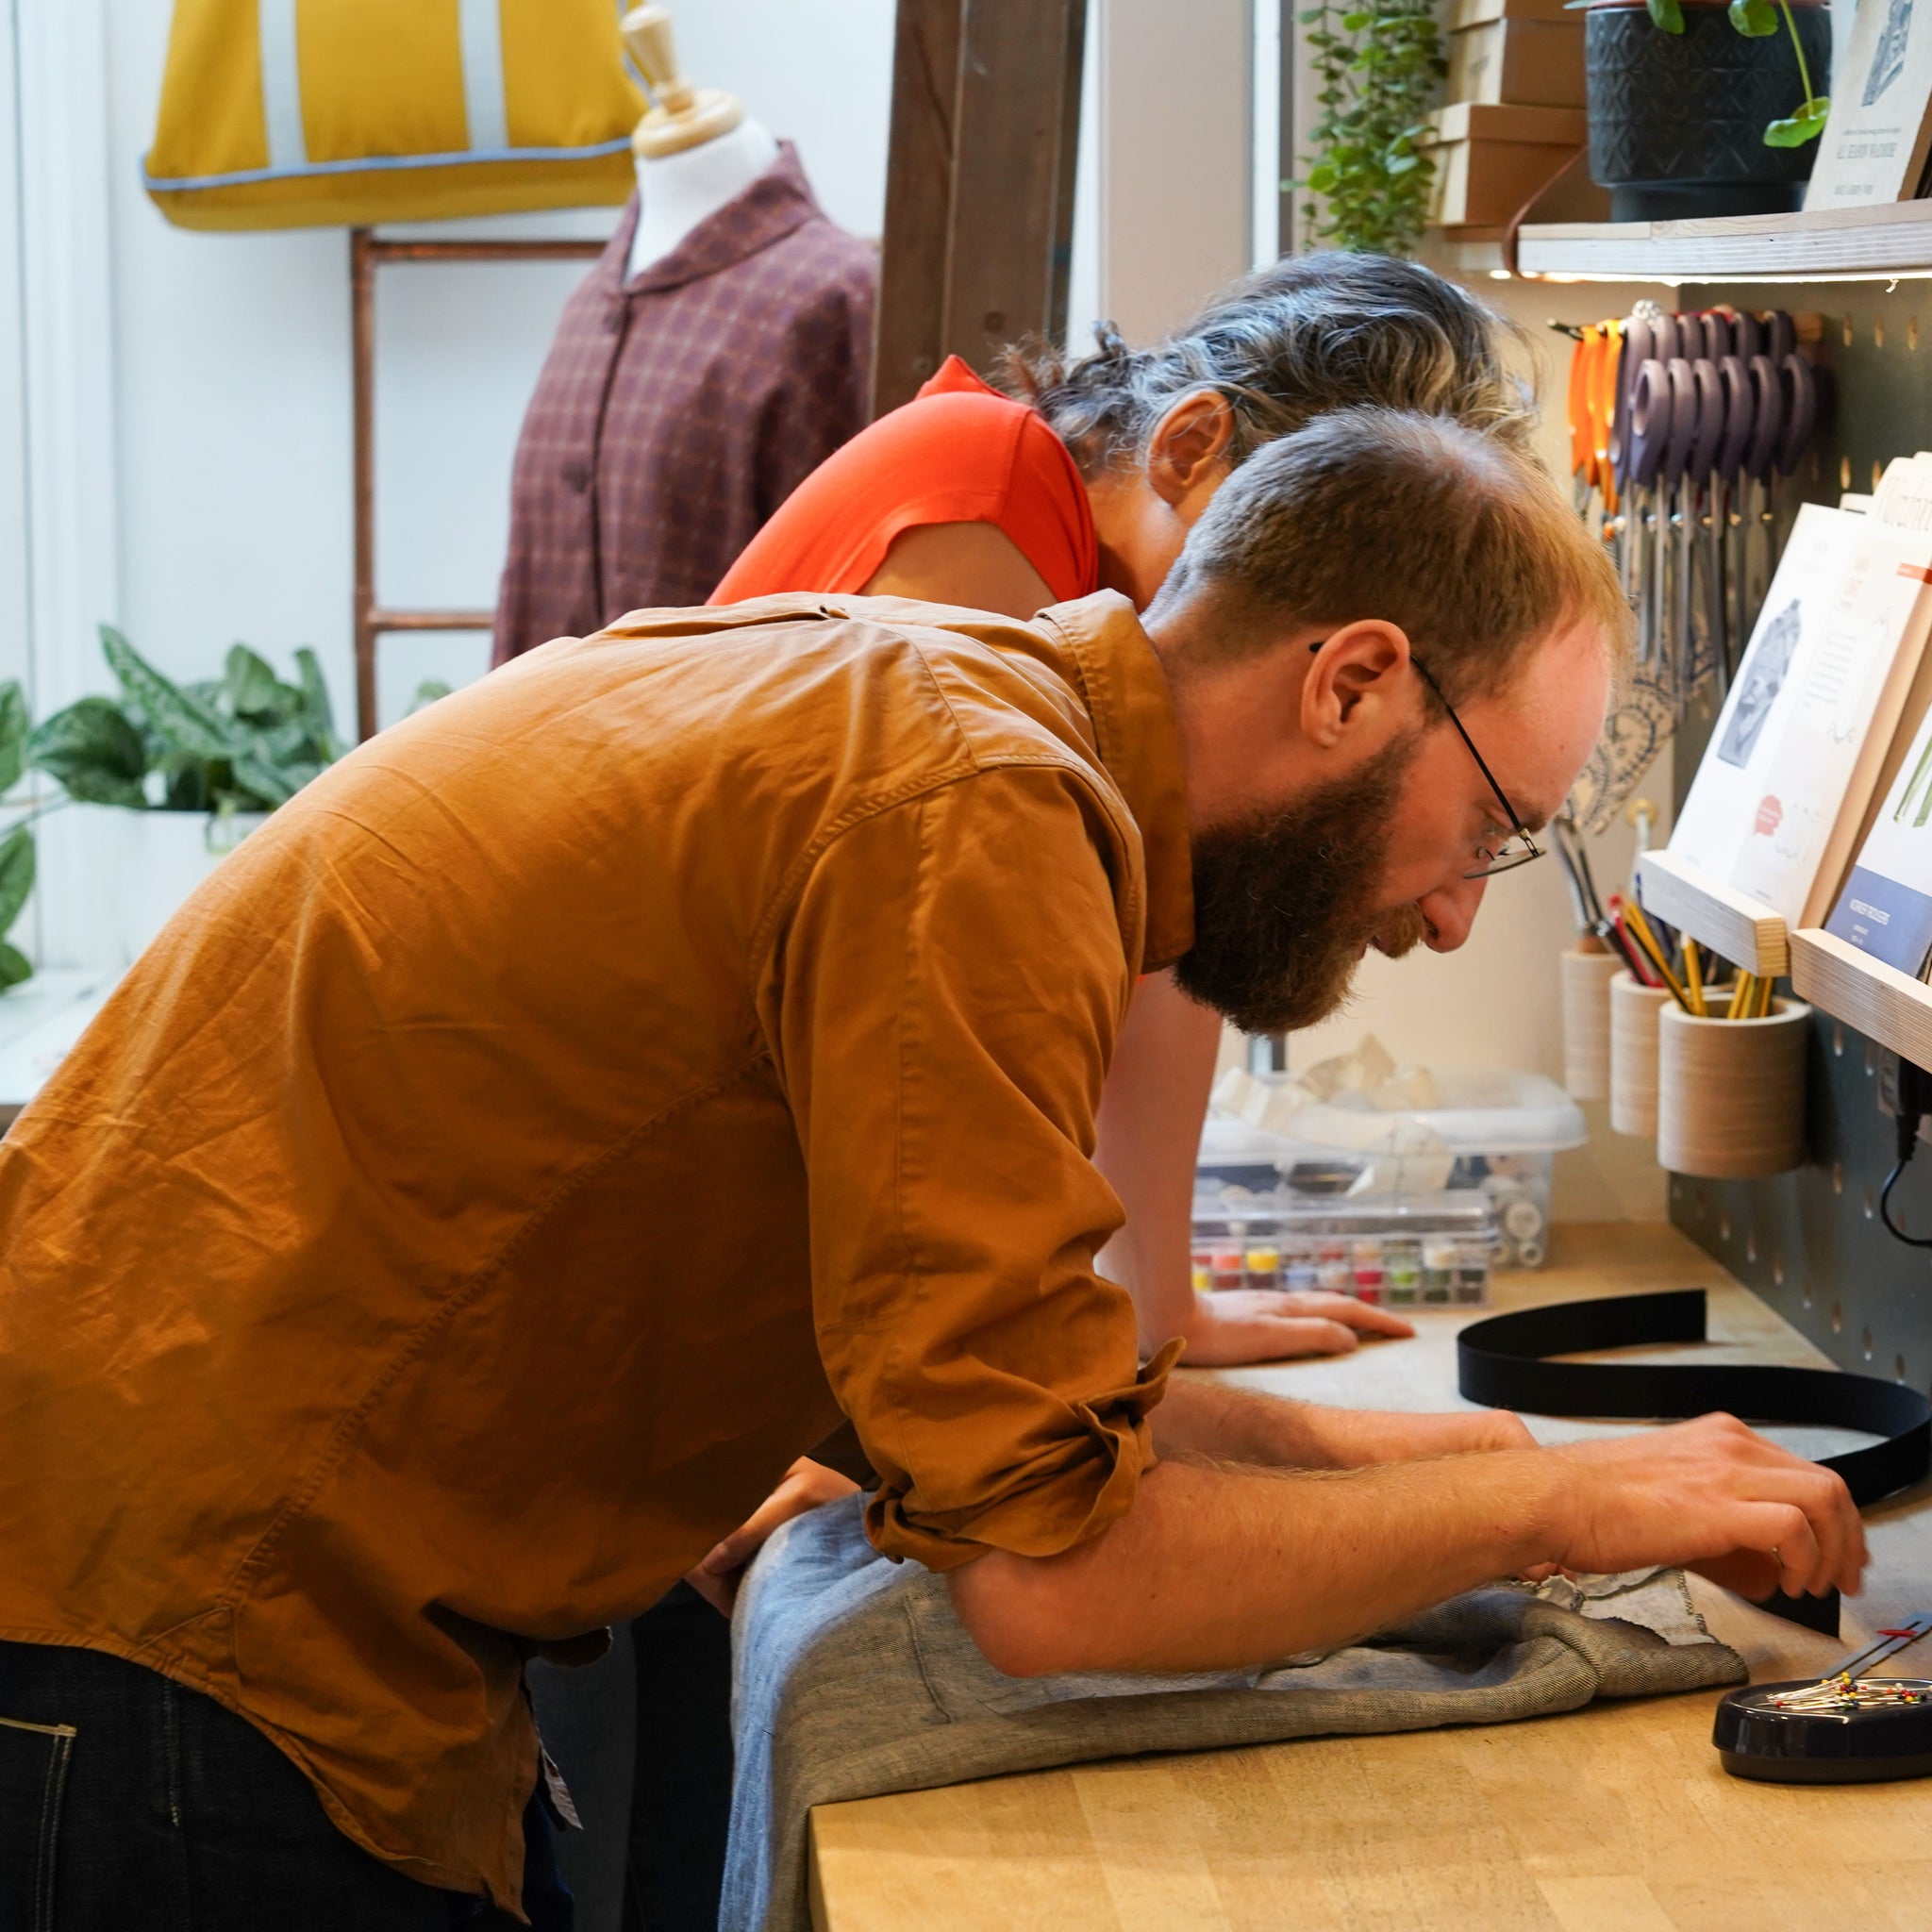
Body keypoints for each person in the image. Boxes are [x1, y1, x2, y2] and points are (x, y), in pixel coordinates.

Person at [0, 410, 1863, 1928]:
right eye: (1490, 828)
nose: (1457, 915)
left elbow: (1034, 1415)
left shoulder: (947, 706)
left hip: (194, 1614)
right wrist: (1557, 1514)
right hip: (188, 1659)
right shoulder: (976, 813)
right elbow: (1055, 1569)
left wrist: (1517, 1461)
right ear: (1351, 685)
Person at [720, 250, 1539, 1371]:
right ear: (1191, 447)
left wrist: (1159, 1319)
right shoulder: (984, 491)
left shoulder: (1136, 678)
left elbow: (1170, 953)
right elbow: (903, 1024)